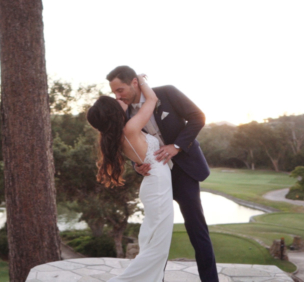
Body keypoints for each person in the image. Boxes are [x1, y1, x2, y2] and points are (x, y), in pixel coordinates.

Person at [106, 66, 218, 282]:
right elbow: (129, 144)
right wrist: (136, 165)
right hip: (157, 178)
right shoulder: (125, 112)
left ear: (134, 83)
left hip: (185, 172)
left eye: (120, 90)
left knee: (197, 230)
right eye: (115, 93)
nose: (118, 96)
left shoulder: (166, 93)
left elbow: (198, 117)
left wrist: (176, 146)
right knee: (159, 233)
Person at [87, 74, 173, 281]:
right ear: (113, 112)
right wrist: (141, 79)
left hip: (154, 184)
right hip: (157, 186)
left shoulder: (120, 133)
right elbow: (152, 100)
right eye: (116, 101)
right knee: (158, 246)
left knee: (151, 237)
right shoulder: (131, 128)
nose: (120, 100)